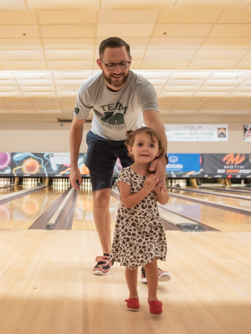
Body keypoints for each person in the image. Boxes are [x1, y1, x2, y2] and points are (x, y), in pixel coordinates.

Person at [69, 37, 171, 283]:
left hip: (133, 142)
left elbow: (155, 125)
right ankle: (107, 255)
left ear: (130, 61)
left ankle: (147, 261)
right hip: (100, 140)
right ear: (100, 63)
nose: (117, 70)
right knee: (101, 196)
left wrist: (162, 159)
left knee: (141, 201)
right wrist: (73, 166)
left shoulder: (142, 86)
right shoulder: (89, 88)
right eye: (111, 65)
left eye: (123, 64)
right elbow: (76, 126)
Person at [108, 127, 169, 314]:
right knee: (132, 265)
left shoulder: (156, 174)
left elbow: (164, 200)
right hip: (130, 228)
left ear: (158, 152)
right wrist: (146, 188)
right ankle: (133, 296)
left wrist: (157, 187)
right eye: (140, 144)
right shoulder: (125, 174)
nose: (145, 148)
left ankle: (153, 298)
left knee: (151, 263)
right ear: (130, 149)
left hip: (150, 226)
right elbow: (127, 203)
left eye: (151, 145)